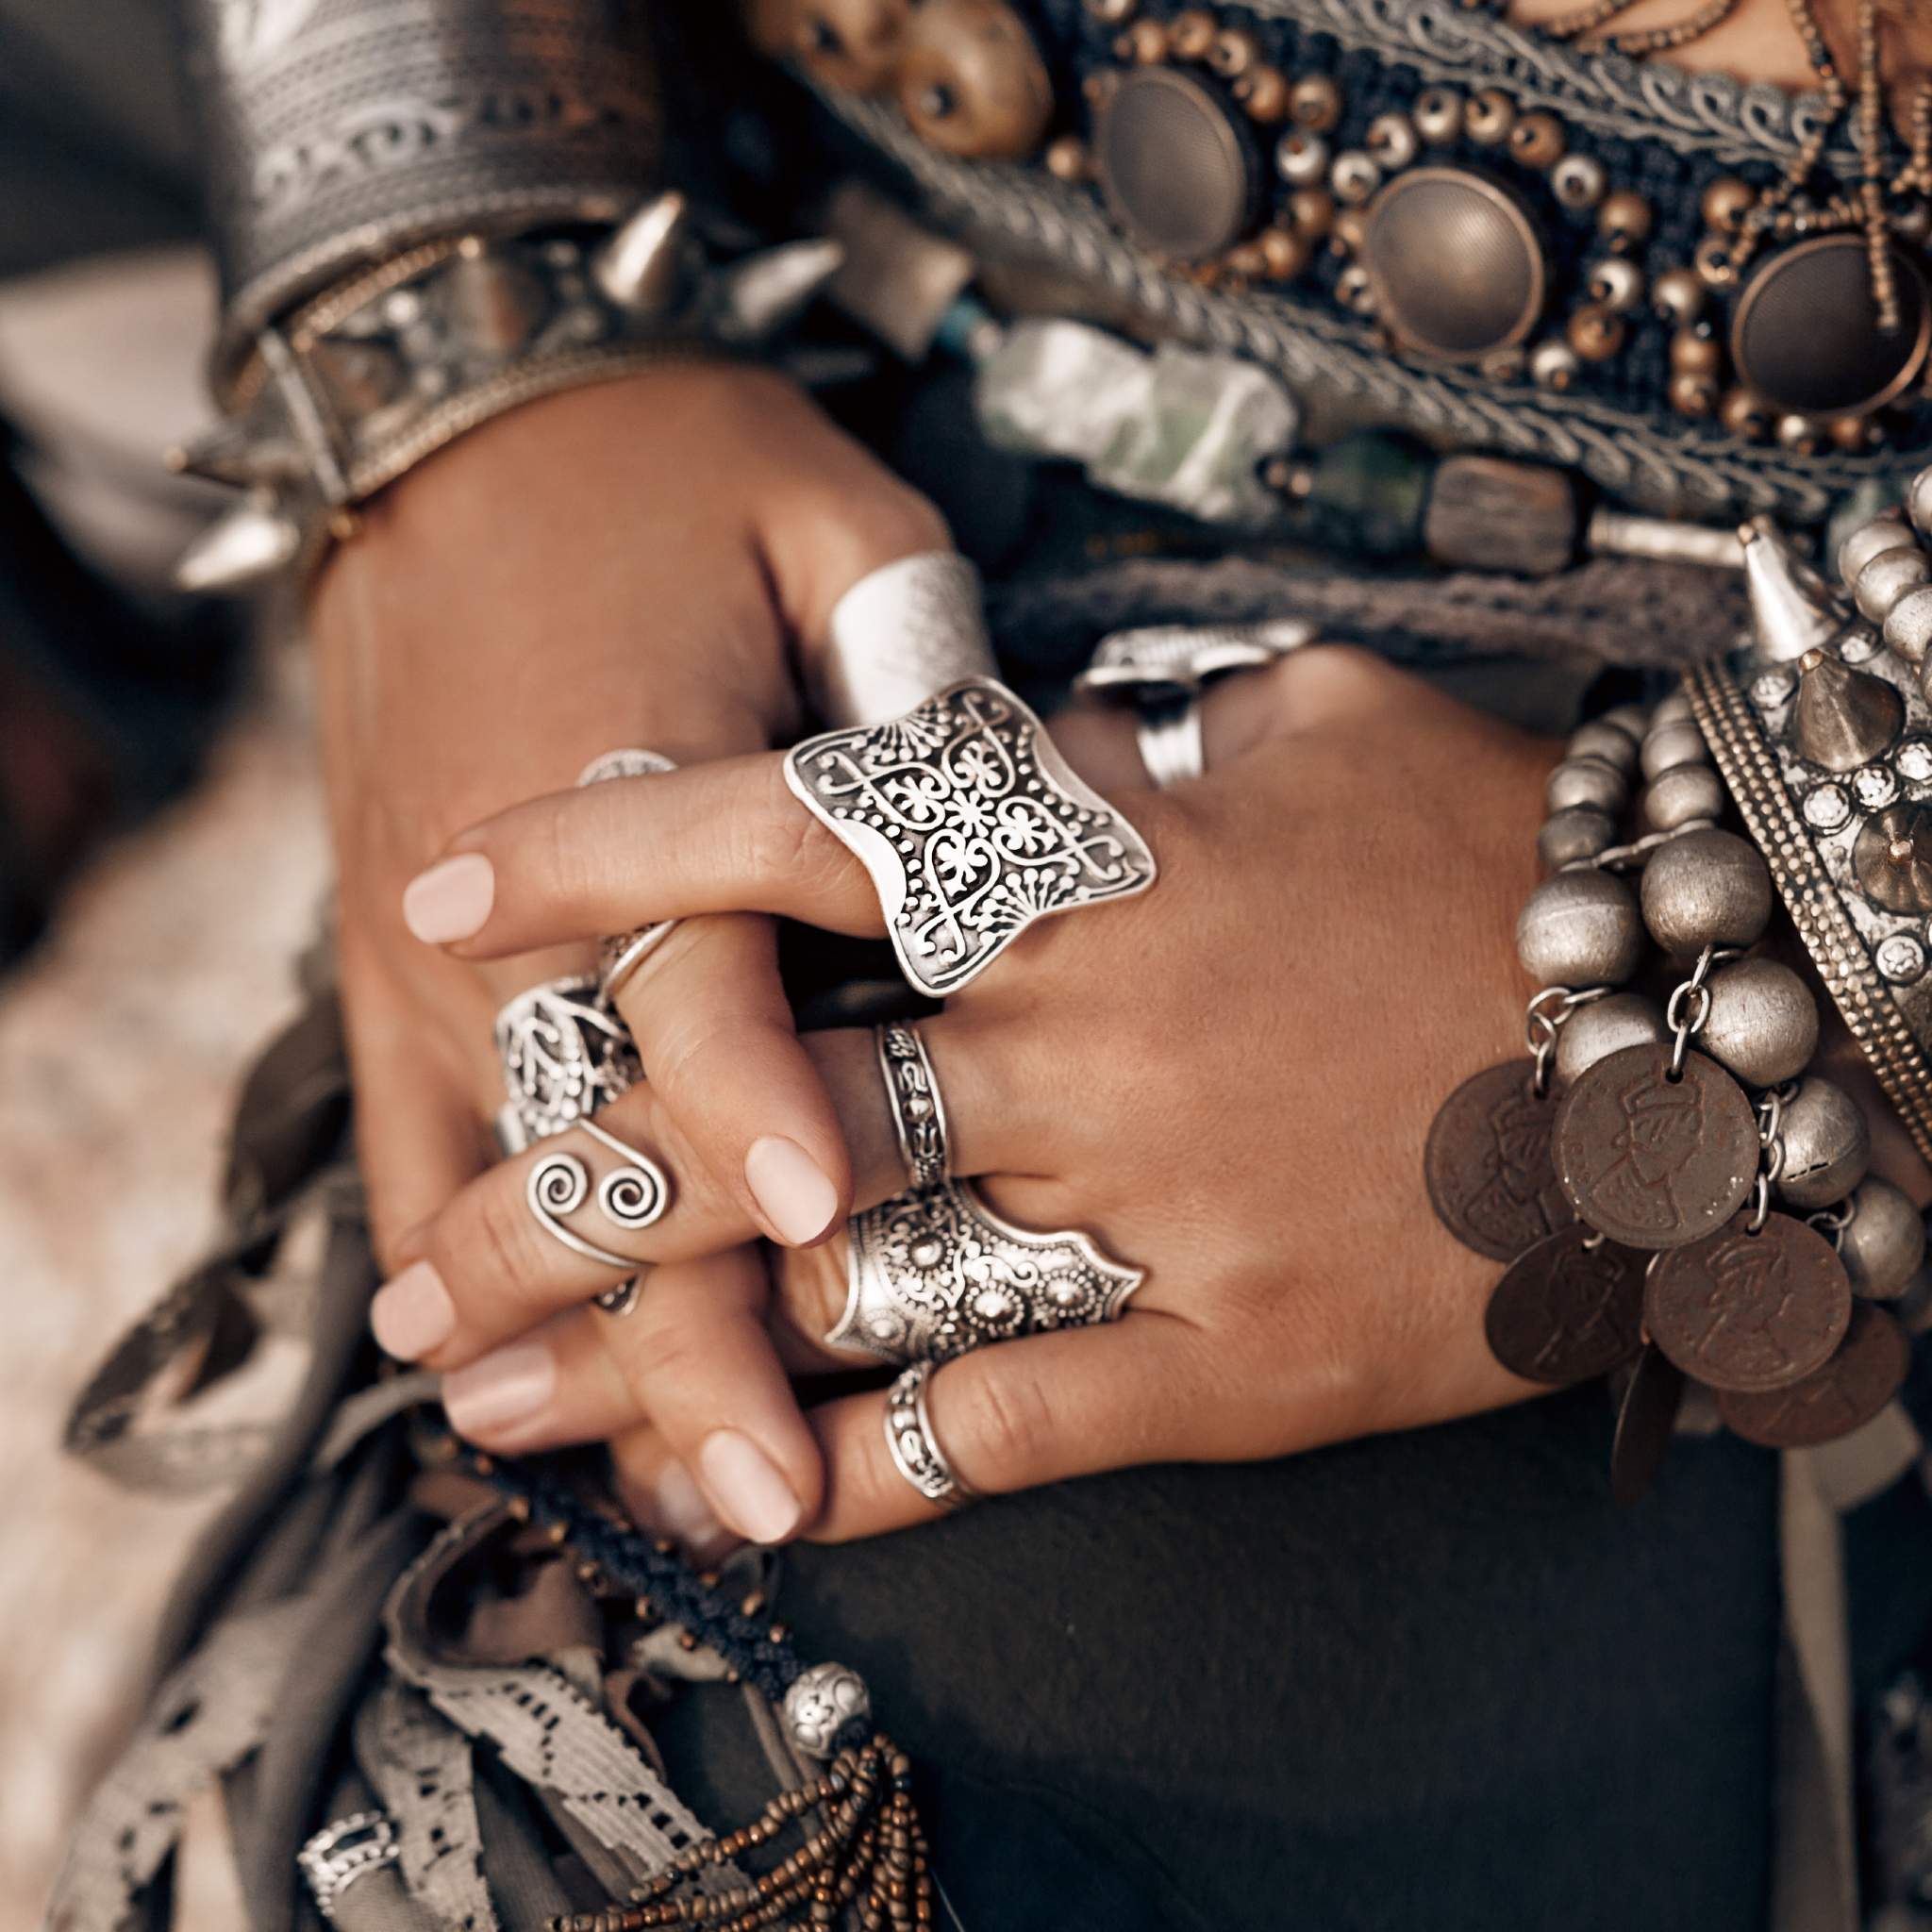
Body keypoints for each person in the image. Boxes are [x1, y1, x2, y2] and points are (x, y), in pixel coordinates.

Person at [51, 1, 1932, 1928]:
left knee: (784, 1817)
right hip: (786, 291)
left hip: (1801, 671)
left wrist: (1797, 901)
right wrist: (459, 330)